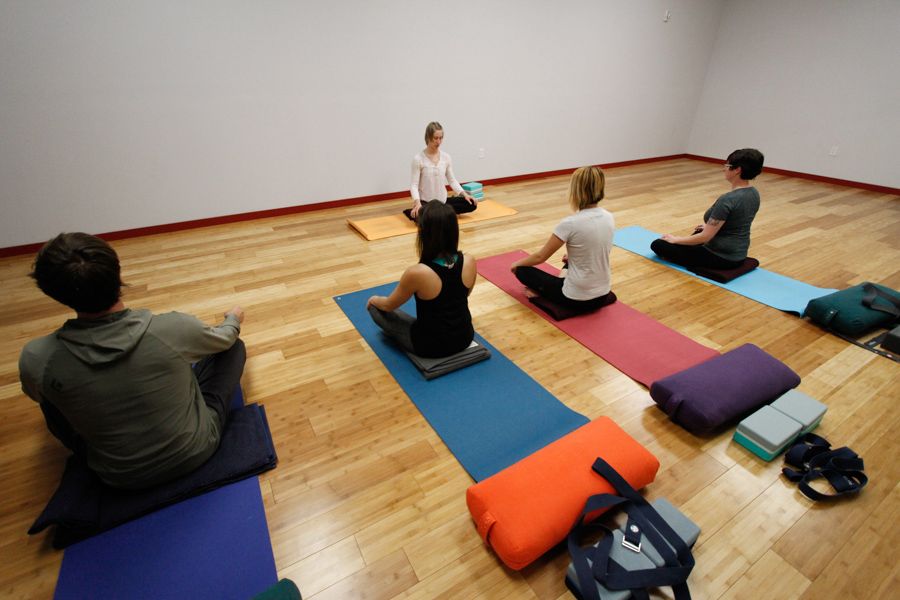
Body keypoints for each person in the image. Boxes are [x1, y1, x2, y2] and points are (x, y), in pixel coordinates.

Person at [18, 232, 247, 490]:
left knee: (49, 398)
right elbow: (225, 339)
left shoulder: (36, 357)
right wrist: (233, 318)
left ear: (52, 291)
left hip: (117, 476)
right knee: (232, 348)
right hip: (196, 452)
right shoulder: (174, 328)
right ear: (117, 272)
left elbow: (36, 395)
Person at [368, 201, 476, 357]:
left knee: (375, 309)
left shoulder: (416, 273)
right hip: (465, 337)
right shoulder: (470, 260)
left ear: (424, 233)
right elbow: (463, 295)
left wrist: (374, 299)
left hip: (430, 346)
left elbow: (388, 305)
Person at [510, 166, 617, 315]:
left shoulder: (570, 223)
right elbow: (597, 250)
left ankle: (543, 297)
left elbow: (540, 257)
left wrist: (516, 264)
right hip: (603, 294)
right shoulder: (609, 216)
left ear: (576, 191)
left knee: (522, 271)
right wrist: (573, 258)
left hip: (575, 299)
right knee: (568, 262)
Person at [650, 148, 765, 269]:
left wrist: (676, 240)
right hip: (739, 253)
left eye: (727, 165)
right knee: (699, 231)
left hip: (721, 257)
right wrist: (708, 227)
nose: (723, 168)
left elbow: (706, 237)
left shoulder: (728, 199)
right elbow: (738, 221)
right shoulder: (754, 193)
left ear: (737, 170)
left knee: (658, 244)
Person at [404, 121, 478, 221]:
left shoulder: (446, 157)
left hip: (443, 201)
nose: (438, 142)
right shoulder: (418, 159)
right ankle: (418, 211)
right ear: (428, 137)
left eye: (441, 138)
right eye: (435, 138)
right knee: (426, 218)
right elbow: (414, 185)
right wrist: (417, 202)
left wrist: (465, 194)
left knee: (471, 204)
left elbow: (452, 180)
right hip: (427, 202)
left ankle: (441, 212)